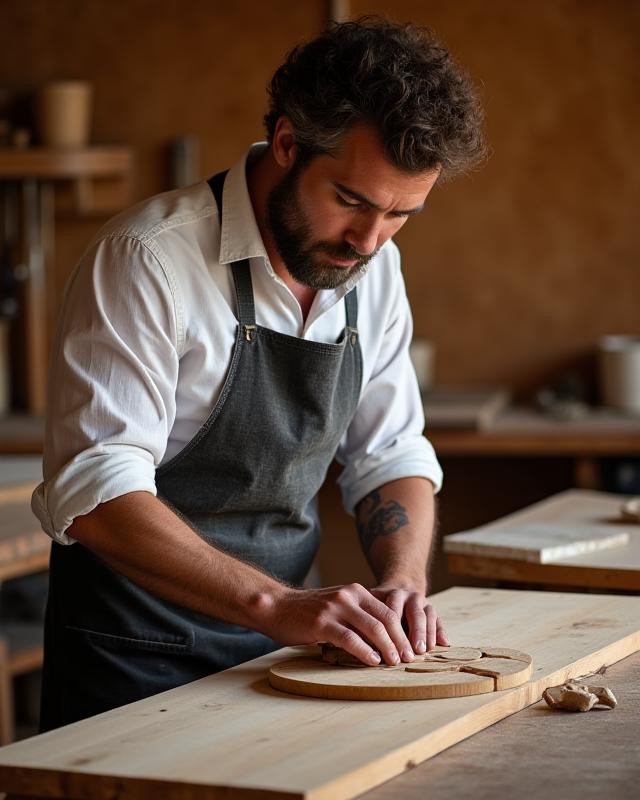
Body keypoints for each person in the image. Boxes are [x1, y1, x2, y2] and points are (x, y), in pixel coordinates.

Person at [32, 17, 485, 731]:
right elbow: (96, 491)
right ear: (285, 143)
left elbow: (389, 454)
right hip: (132, 666)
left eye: (402, 214)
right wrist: (277, 605)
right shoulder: (148, 258)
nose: (368, 240)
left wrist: (402, 581)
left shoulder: (373, 268)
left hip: (276, 658)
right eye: (352, 200)